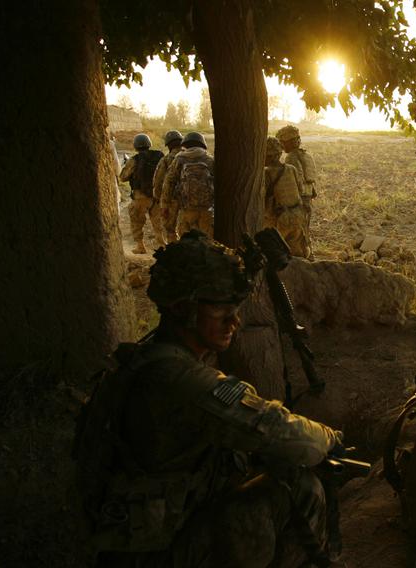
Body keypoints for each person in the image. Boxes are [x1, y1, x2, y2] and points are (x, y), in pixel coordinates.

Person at [74, 230, 344, 567]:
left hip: (141, 541)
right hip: (155, 555)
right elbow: (284, 434)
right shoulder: (180, 381)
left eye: (235, 310)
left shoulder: (144, 359)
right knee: (298, 485)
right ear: (181, 309)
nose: (235, 322)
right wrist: (331, 439)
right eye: (220, 313)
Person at [264, 136, 310, 258]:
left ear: (268, 156)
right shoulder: (291, 169)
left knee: (275, 255)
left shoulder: (266, 173)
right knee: (297, 254)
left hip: (279, 220)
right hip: (297, 216)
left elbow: (261, 199)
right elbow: (300, 190)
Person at [119, 133, 164, 254]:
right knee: (158, 223)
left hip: (140, 197)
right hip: (156, 196)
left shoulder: (134, 160)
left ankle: (140, 246)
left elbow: (122, 177)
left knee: (137, 222)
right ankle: (162, 245)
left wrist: (125, 164)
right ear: (149, 144)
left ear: (136, 146)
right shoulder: (158, 156)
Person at [163, 132, 215, 238]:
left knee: (186, 240)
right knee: (208, 241)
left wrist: (165, 204)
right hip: (207, 209)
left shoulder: (179, 159)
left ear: (185, 145)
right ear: (202, 144)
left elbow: (169, 182)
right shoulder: (209, 159)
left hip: (187, 209)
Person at [276, 125, 318, 245]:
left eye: (282, 143)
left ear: (288, 142)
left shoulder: (291, 158)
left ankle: (305, 256)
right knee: (305, 228)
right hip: (308, 197)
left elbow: (295, 181)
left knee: (298, 232)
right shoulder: (305, 155)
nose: (282, 147)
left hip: (299, 200)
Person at [151, 130, 183, 244]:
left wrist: (159, 199)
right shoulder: (190, 157)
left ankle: (175, 253)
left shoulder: (166, 160)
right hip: (190, 200)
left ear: (168, 145)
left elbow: (158, 181)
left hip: (172, 200)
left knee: (170, 229)